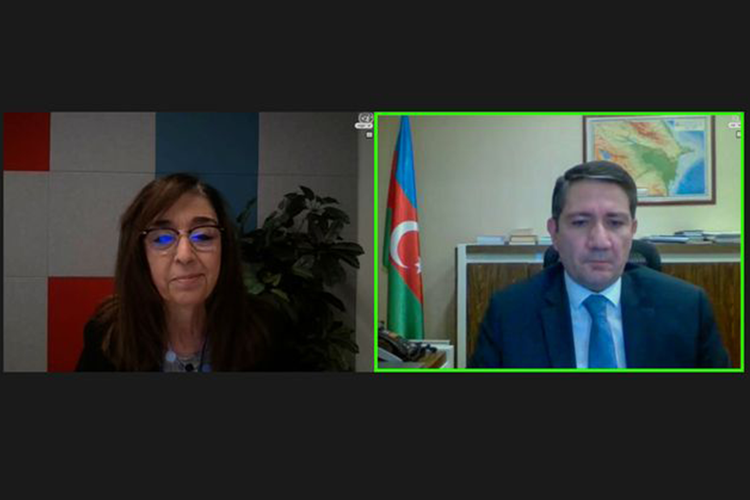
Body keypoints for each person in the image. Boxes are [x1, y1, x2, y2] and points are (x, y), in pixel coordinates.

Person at [470, 161, 730, 369]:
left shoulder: (687, 309)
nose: (600, 242)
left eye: (615, 223)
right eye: (580, 222)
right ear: (554, 233)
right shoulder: (508, 314)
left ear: (632, 231)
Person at [76, 173, 281, 371]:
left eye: (203, 236)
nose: (185, 255)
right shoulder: (107, 334)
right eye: (162, 238)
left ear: (224, 248)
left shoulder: (265, 328)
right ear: (140, 255)